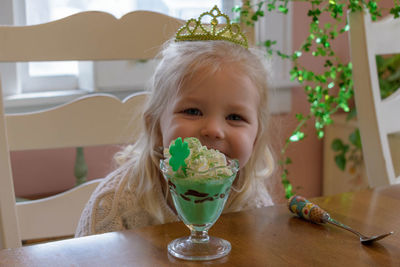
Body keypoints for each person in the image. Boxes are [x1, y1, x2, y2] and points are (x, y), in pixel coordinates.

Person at [75, 6, 275, 237]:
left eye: (235, 117)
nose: (213, 130)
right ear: (155, 127)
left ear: (256, 137)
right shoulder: (115, 205)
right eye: (192, 111)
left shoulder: (253, 202)